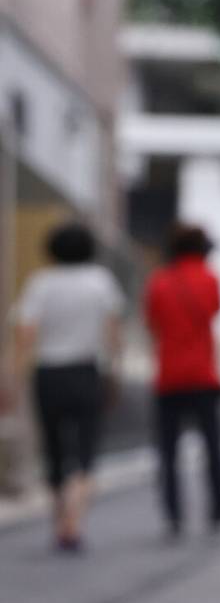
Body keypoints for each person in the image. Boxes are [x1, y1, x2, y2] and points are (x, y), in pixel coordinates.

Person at [12, 222, 124, 551]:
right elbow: (114, 333)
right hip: (87, 372)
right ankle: (74, 522)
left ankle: (60, 518)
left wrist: (13, 377)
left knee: (53, 448)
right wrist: (114, 371)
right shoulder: (101, 282)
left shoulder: (41, 283)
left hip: (48, 374)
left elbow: (26, 333)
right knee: (87, 449)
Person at [145, 224, 220, 536]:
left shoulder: (158, 281)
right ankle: (218, 511)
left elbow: (152, 322)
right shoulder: (210, 279)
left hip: (168, 378)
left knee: (168, 452)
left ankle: (173, 516)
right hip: (204, 377)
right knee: (213, 446)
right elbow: (216, 311)